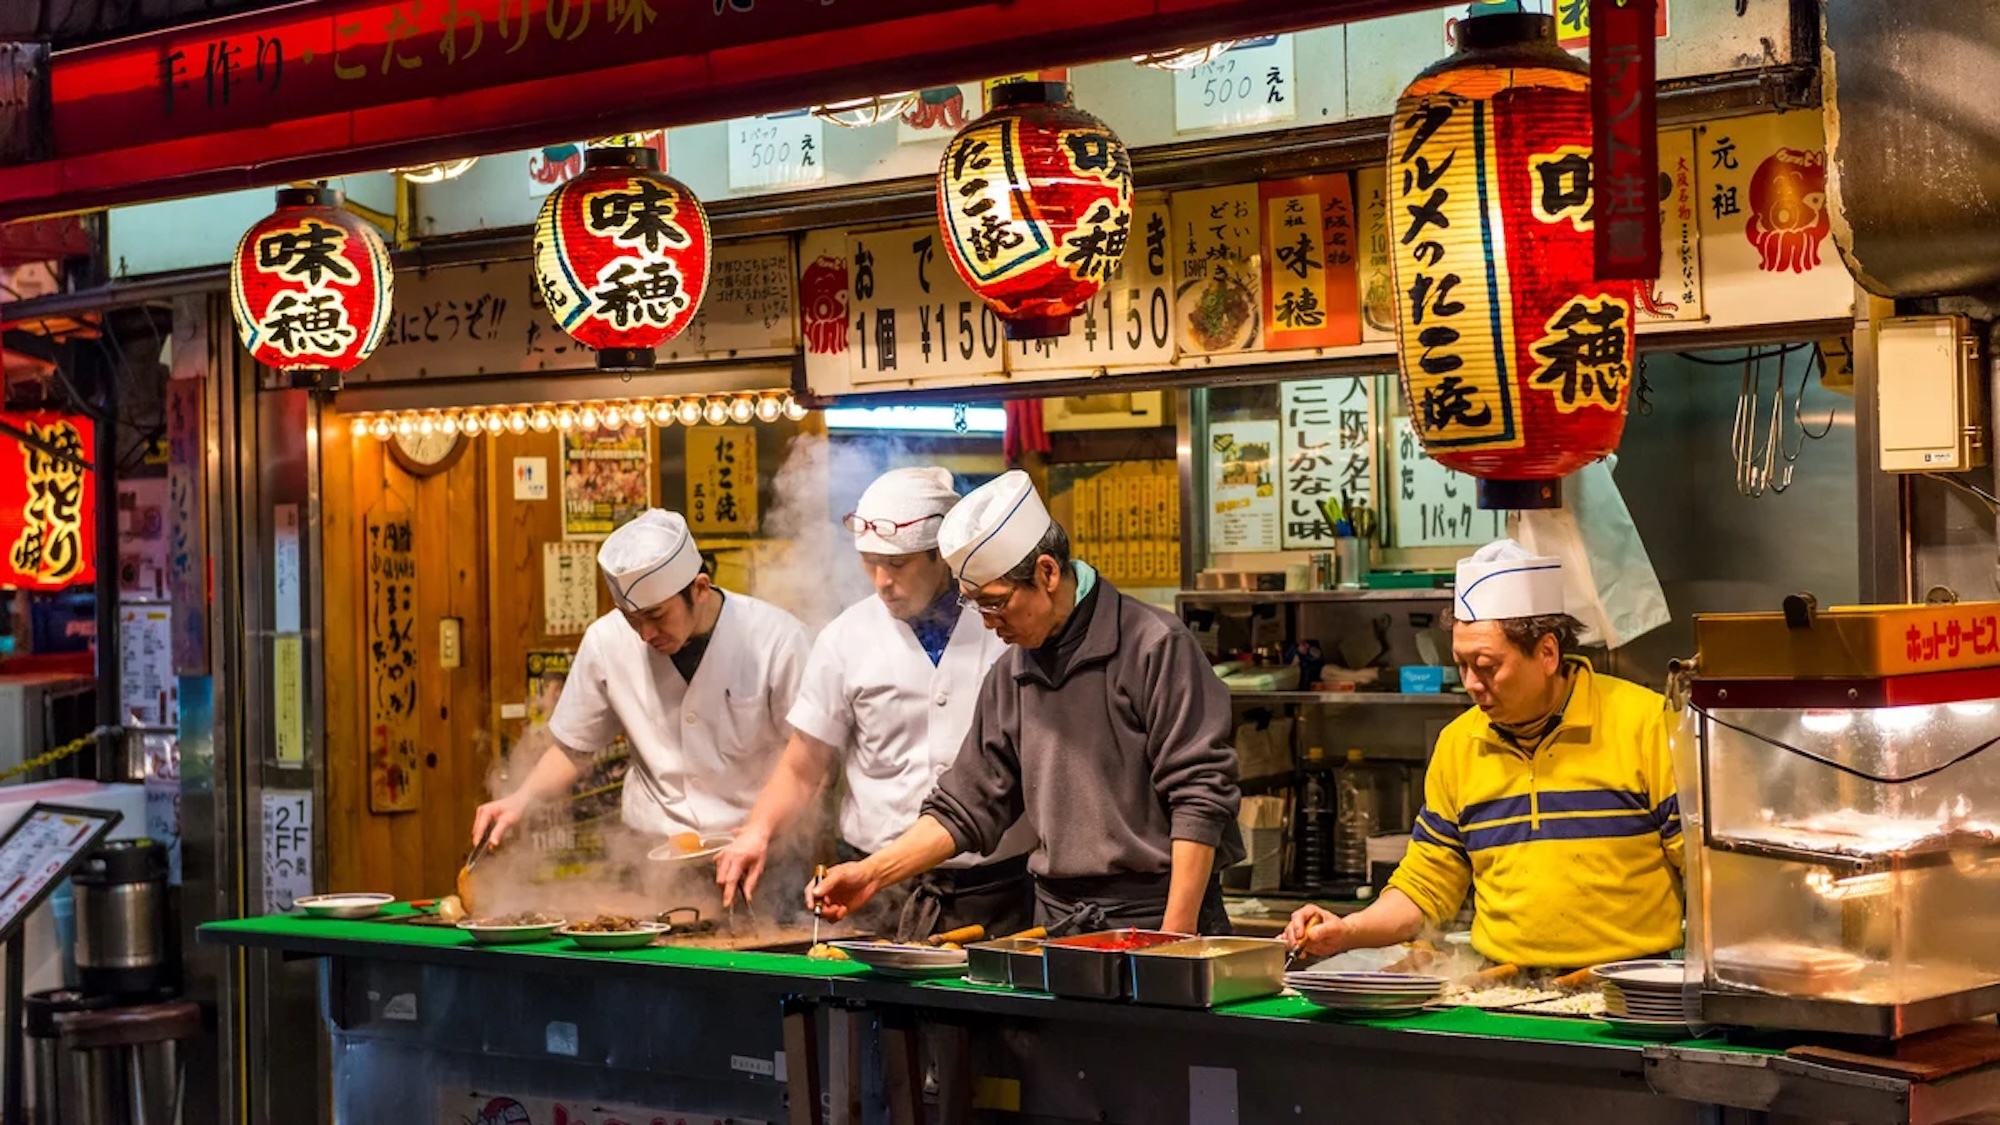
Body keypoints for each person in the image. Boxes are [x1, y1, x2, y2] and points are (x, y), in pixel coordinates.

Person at [807, 470, 1243, 936]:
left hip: (1160, 913)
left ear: (1048, 573)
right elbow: (966, 806)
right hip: (1057, 922)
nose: (989, 622)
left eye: (994, 603)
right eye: (974, 605)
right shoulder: (1011, 672)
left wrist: (1173, 937)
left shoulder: (1154, 646)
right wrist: (871, 873)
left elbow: (1199, 794)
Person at [1281, 539, 1685, 970]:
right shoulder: (1460, 743)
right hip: (1505, 992)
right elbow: (1426, 884)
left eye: (1487, 665)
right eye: (1462, 664)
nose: (1472, 683)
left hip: (1630, 992)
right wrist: (1348, 930)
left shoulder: (1646, 724)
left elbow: (1705, 871)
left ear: (1547, 653)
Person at [715, 467, 1036, 938]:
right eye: (870, 563)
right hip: (872, 887)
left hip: (995, 887)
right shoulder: (846, 638)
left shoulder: (1007, 628)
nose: (882, 581)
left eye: (898, 565)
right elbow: (804, 764)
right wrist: (757, 830)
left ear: (941, 555)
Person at [472, 509, 810, 850]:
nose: (645, 633)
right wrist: (520, 799)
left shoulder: (777, 640)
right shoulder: (606, 641)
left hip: (751, 842)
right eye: (631, 618)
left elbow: (808, 761)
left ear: (700, 589)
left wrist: (764, 829)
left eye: (656, 615)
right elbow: (575, 748)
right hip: (651, 849)